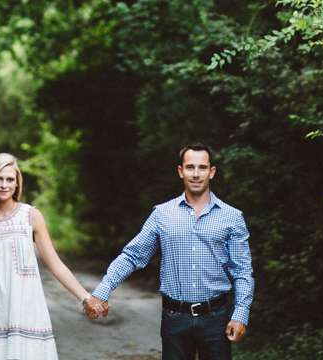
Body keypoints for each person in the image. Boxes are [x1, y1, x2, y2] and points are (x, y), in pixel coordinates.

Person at [84, 144, 253, 360]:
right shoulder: (162, 214)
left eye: (202, 168)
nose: (196, 174)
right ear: (181, 171)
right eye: (190, 167)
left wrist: (241, 314)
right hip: (175, 319)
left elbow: (242, 271)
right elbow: (133, 255)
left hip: (216, 318)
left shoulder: (232, 217)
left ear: (211, 172)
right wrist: (102, 291)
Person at [0, 153, 100, 359]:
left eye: (10, 179)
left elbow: (56, 265)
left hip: (25, 313)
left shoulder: (31, 216)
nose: (4, 185)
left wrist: (86, 297)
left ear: (17, 184)